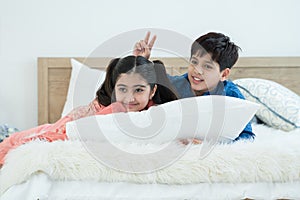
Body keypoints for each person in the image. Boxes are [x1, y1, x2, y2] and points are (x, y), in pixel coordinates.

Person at [0, 55, 178, 166]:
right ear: (114, 88)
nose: (129, 99)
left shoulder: (157, 110)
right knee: (12, 143)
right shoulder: (114, 109)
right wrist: (26, 145)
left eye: (139, 90)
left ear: (152, 91)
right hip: (60, 129)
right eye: (122, 89)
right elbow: (62, 133)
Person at [133, 31, 254, 141]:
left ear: (224, 74)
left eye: (207, 66)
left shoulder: (231, 95)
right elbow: (139, 86)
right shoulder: (174, 84)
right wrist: (139, 62)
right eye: (194, 62)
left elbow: (247, 136)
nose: (197, 70)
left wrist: (210, 145)